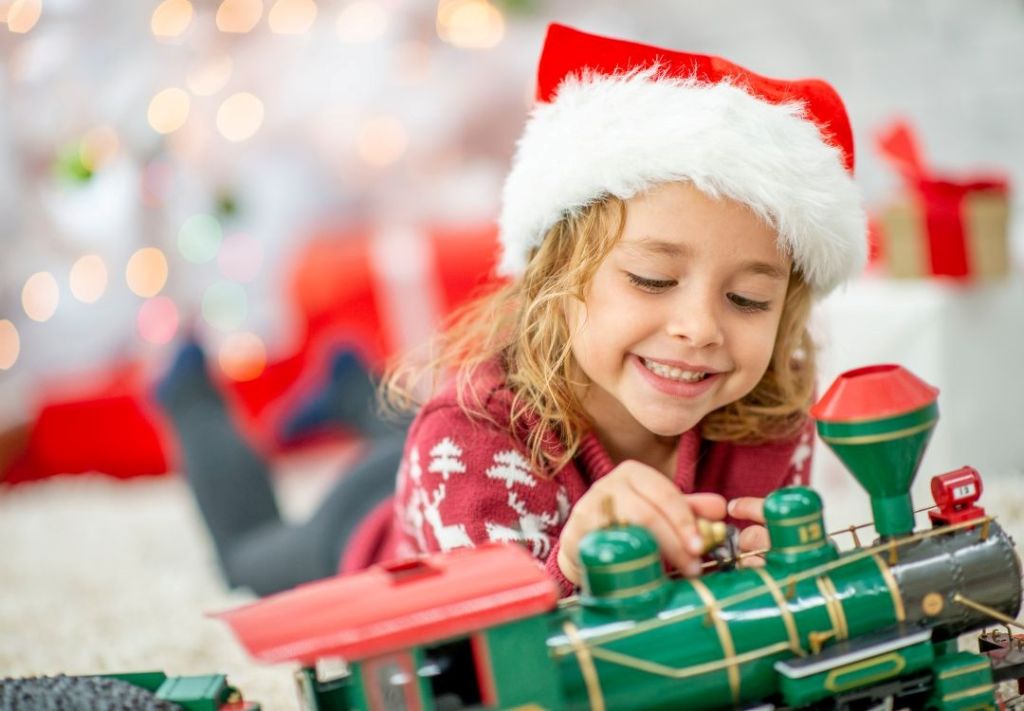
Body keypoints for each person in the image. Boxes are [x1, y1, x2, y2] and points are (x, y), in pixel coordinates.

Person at [378, 23, 866, 597]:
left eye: (747, 301)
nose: (701, 328)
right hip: (372, 535)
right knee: (260, 542)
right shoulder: (467, 443)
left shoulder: (774, 410)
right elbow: (488, 659)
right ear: (555, 277)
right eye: (652, 280)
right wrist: (572, 571)